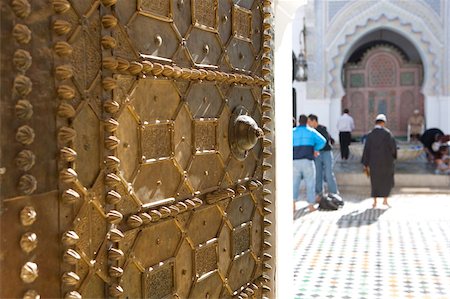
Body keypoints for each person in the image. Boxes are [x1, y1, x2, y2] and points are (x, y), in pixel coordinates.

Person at [362, 114, 397, 208]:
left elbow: (366, 150)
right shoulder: (388, 134)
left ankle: (375, 202)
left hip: (374, 163)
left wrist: (365, 163)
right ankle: (385, 200)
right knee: (386, 181)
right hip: (386, 162)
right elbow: (393, 148)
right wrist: (393, 157)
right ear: (383, 123)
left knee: (375, 181)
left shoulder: (370, 135)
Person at [293, 114, 326, 212]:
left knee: (294, 184)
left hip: (295, 161)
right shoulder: (311, 131)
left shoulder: (292, 132)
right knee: (310, 183)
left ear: (299, 121)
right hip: (308, 161)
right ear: (307, 121)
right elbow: (323, 141)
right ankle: (311, 206)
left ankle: (293, 205)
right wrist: (315, 149)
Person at [307, 114, 339, 198]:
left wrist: (316, 148)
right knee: (318, 174)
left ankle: (334, 193)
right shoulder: (310, 131)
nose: (308, 123)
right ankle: (319, 194)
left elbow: (325, 141)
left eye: (309, 121)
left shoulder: (322, 128)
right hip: (317, 155)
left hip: (326, 153)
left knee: (328, 173)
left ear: (314, 121)